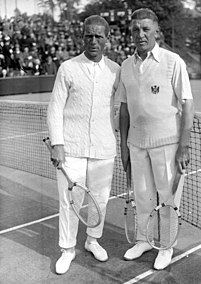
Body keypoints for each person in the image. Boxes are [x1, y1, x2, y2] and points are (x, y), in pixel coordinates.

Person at [118, 8, 194, 270]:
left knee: (168, 199)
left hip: (167, 144)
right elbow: (125, 109)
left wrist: (183, 146)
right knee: (142, 195)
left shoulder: (174, 62)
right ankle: (143, 240)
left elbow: (187, 104)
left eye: (145, 29)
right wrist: (124, 146)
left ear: (156, 32)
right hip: (136, 144)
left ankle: (166, 246)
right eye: (136, 30)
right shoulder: (126, 66)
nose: (140, 34)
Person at [47, 15, 120, 274]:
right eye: (89, 35)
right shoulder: (67, 68)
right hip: (71, 149)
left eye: (99, 36)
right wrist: (57, 143)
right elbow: (55, 108)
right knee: (70, 201)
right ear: (82, 37)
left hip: (103, 149)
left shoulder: (116, 71)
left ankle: (92, 240)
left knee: (99, 199)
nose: (93, 40)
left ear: (107, 40)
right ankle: (67, 249)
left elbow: (123, 108)